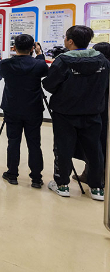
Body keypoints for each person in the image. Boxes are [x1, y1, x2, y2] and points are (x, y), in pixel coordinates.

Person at [42, 25, 107, 201]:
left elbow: (49, 85)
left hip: (65, 112)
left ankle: (62, 185)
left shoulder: (63, 61)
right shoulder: (102, 61)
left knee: (63, 147)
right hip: (93, 112)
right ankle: (97, 187)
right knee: (94, 149)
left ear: (70, 41)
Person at [0, 34, 49, 188]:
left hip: (12, 108)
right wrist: (39, 54)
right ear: (32, 48)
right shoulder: (39, 64)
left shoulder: (5, 64)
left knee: (13, 141)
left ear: (14, 47)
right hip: (33, 108)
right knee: (34, 143)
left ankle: (12, 174)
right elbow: (44, 71)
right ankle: (36, 178)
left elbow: (2, 75)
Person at [73, 41, 110, 183]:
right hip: (101, 110)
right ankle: (94, 174)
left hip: (96, 111)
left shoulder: (98, 69)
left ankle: (94, 176)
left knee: (94, 144)